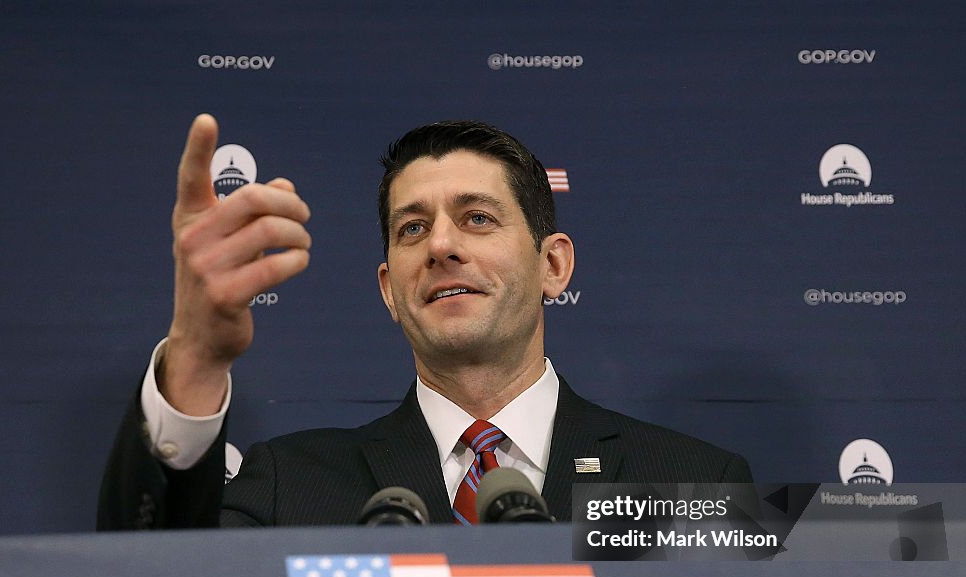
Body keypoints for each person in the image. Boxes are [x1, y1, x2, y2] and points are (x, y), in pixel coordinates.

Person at [97, 115, 754, 531]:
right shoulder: (289, 487)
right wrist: (195, 359)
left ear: (553, 264)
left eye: (477, 218)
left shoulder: (688, 483)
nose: (441, 245)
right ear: (390, 288)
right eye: (412, 228)